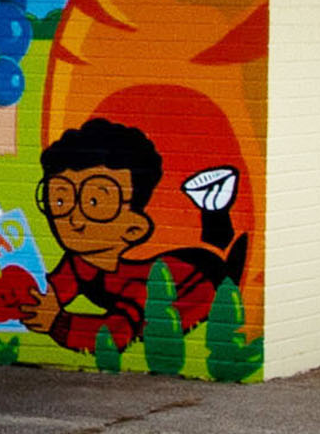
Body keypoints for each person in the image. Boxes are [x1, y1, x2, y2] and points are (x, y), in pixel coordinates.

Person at [30, 113, 240, 357]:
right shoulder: (80, 262)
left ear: (135, 228)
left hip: (199, 280)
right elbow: (52, 292)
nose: (74, 219)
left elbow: (117, 335)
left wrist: (58, 322)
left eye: (95, 202)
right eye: (60, 199)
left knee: (220, 258)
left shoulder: (142, 283)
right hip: (179, 261)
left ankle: (214, 208)